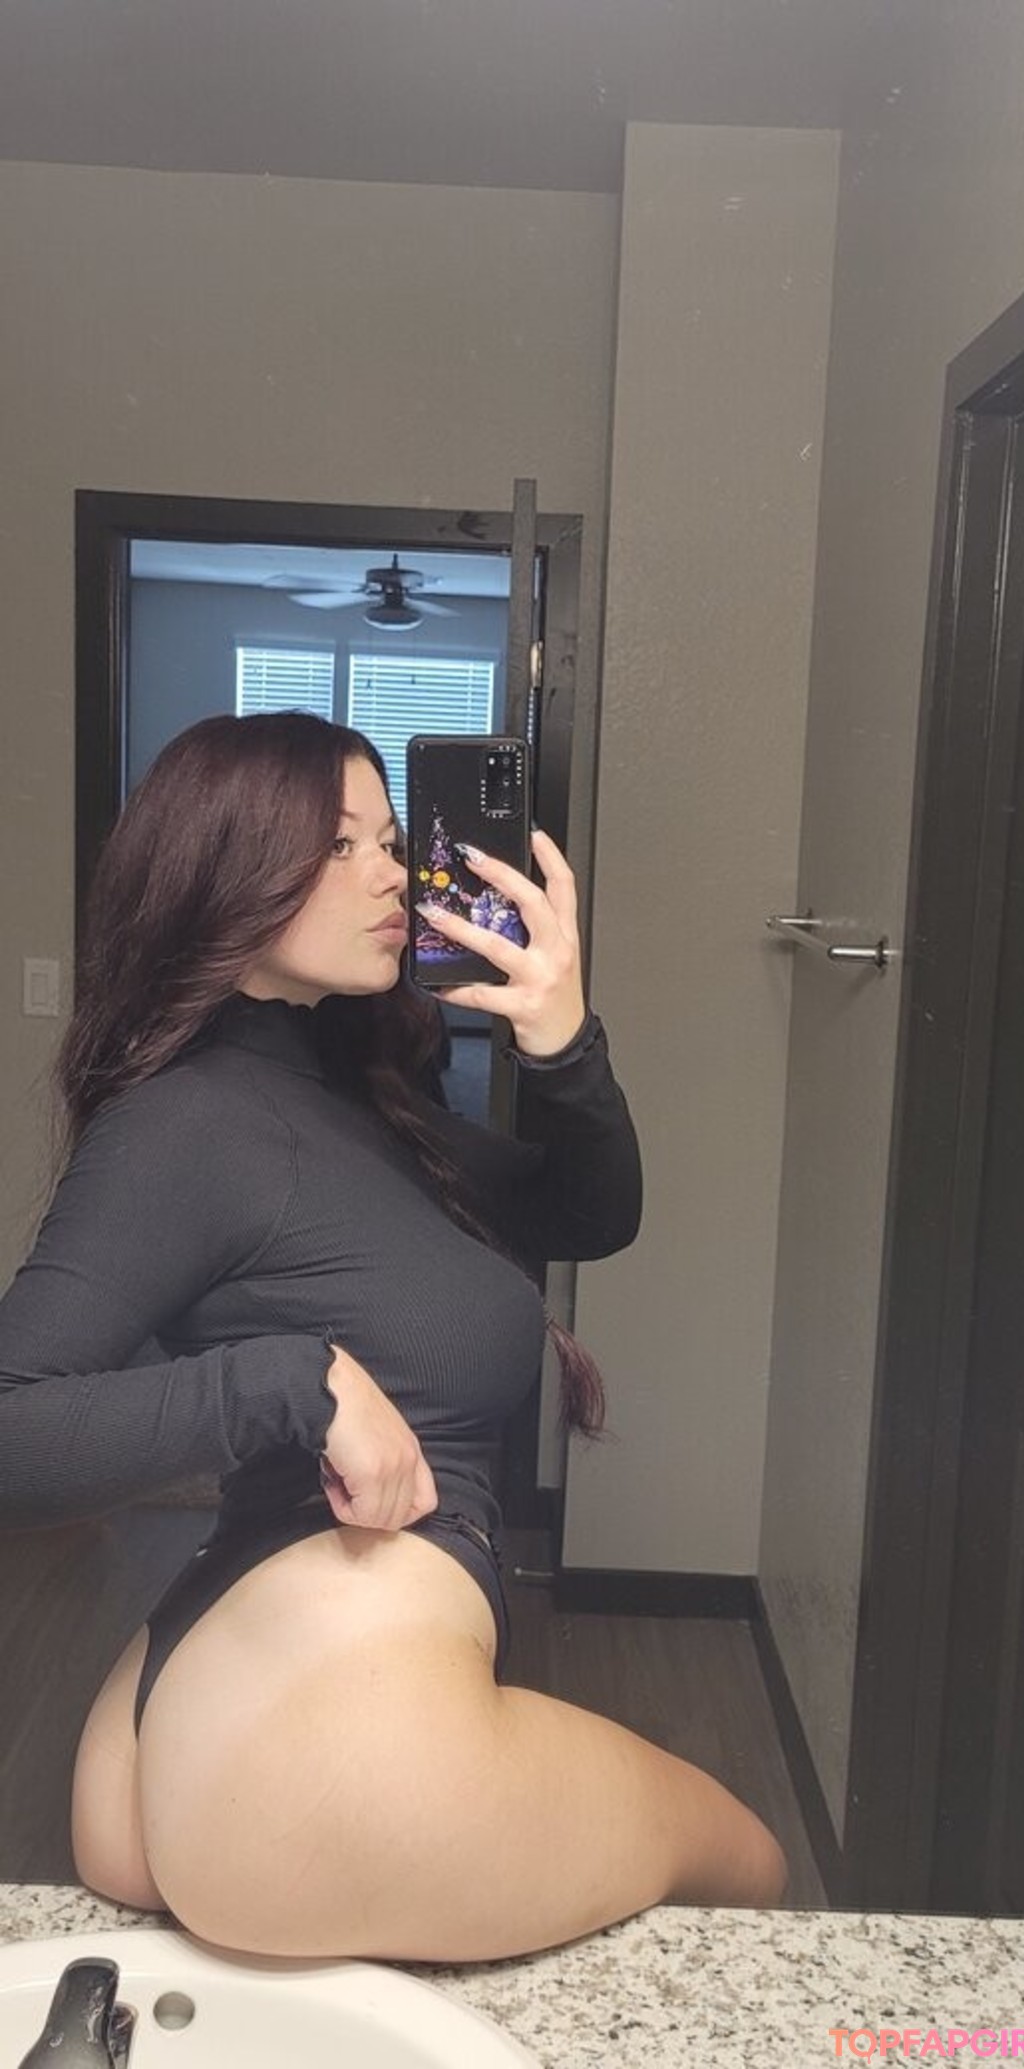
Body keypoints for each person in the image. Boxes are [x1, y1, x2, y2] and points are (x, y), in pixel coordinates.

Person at [0, 712, 786, 1961]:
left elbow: (589, 1213)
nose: (394, 872)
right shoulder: (187, 1124)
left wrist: (564, 1043)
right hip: (324, 1737)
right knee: (756, 1863)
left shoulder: (348, 1096)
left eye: (390, 836)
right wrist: (292, 1381)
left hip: (230, 1698)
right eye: (338, 844)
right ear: (225, 870)